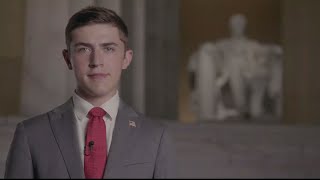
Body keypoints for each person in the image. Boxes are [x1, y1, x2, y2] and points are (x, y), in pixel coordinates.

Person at [5, 6, 176, 179]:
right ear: (68, 58)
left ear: (126, 58)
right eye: (84, 49)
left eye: (108, 48)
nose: (96, 61)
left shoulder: (155, 136)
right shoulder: (31, 134)